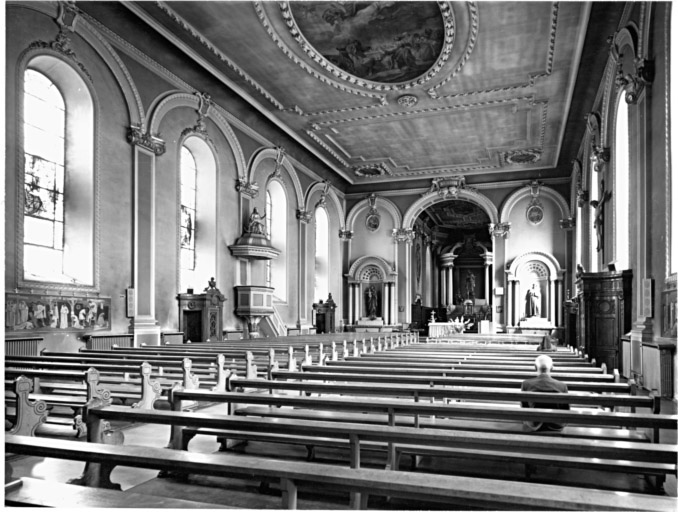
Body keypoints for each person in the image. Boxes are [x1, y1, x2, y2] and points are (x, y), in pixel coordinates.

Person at [520, 355, 569, 432]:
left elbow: (524, 409)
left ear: (535, 367)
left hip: (534, 424)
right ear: (552, 367)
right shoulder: (562, 386)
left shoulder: (526, 384)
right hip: (556, 425)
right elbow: (566, 411)